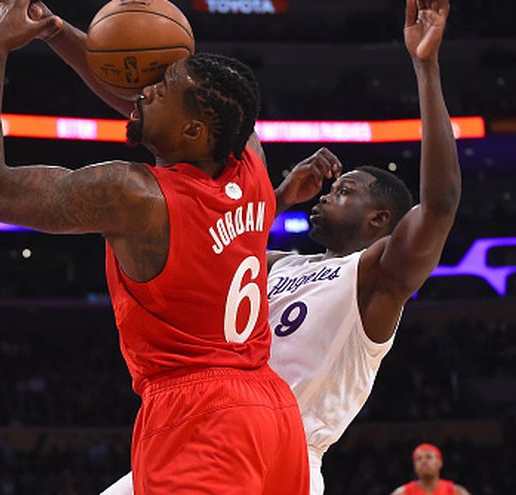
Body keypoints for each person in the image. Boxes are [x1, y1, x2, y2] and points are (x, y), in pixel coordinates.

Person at [97, 0, 462, 493]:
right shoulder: (278, 264)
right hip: (212, 430)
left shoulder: (375, 277)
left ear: (379, 219)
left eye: (345, 191)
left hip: (286, 455)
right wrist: (281, 196)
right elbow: (214, 231)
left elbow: (440, 206)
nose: (328, 193)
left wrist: (426, 67)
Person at [0, 1, 308, 493]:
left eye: (161, 89)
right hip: (272, 411)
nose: (145, 91)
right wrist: (56, 31)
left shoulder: (136, 196)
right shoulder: (249, 160)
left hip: (198, 414)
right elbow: (159, 110)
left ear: (192, 131)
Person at [391, 444, 471, 495]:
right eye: (419, 459)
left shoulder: (456, 492)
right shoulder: (402, 493)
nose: (424, 461)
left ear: (439, 462)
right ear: (414, 466)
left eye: (429, 457)